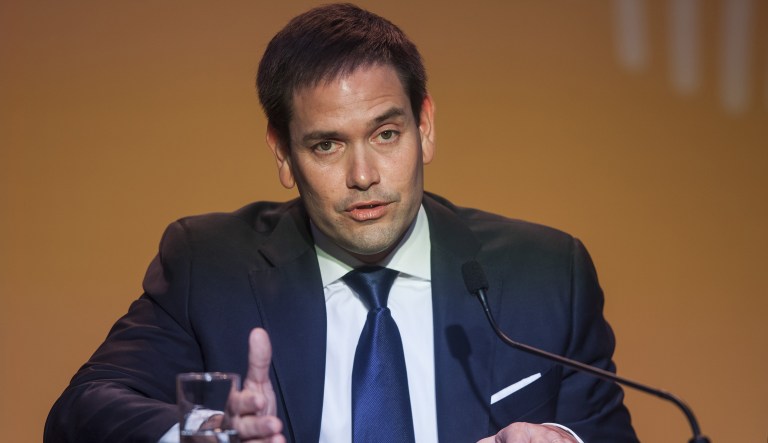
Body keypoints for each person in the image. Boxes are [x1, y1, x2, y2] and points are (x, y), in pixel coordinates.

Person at [45, 4, 638, 443]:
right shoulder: (210, 264)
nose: (364, 175)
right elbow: (81, 411)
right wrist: (210, 430)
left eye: (386, 134)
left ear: (425, 126)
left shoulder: (546, 273)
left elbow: (605, 433)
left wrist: (567, 442)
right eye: (327, 145)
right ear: (283, 153)